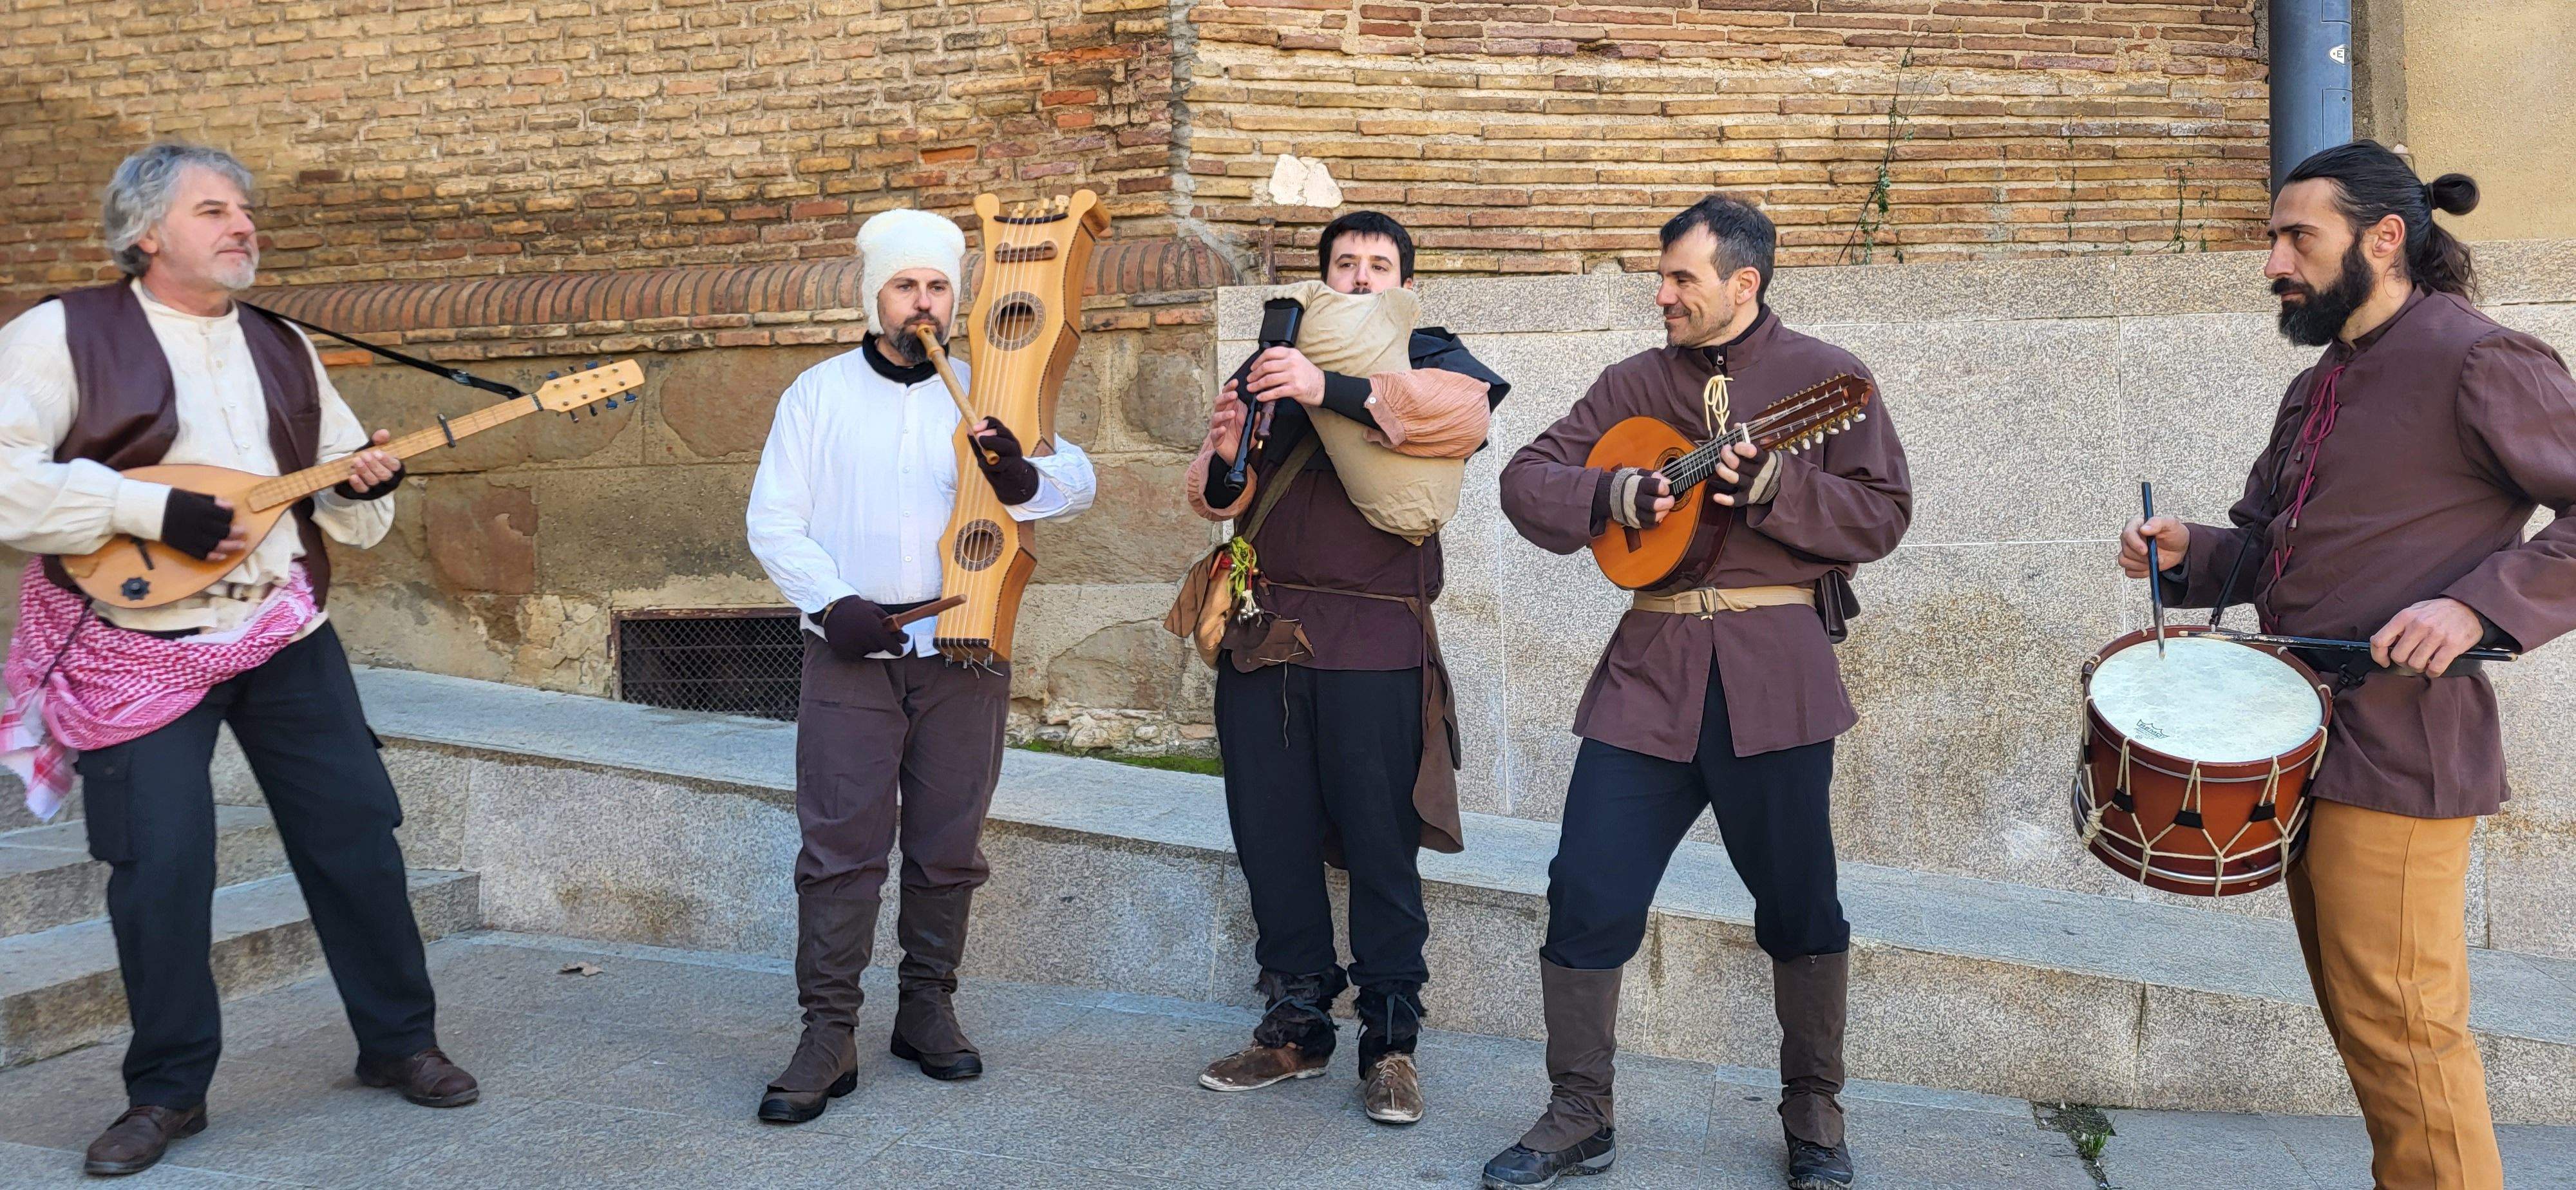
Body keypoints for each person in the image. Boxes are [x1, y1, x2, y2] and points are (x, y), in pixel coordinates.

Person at [0, 143, 474, 1178]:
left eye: (246, 210)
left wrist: (358, 487)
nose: (243, 226)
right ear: (144, 234)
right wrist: (147, 506)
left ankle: (399, 1042)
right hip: (137, 647)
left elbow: (349, 497)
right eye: (213, 210)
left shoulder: (283, 343)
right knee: (161, 867)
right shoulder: (60, 334)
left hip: (282, 633)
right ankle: (167, 1093)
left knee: (357, 835)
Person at [2122, 141, 2574, 1190]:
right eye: (2275, 238)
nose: (2275, 261)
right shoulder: (2317, 384)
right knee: (2369, 1032)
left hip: (2407, 742)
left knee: (2408, 1034)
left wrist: (2475, 608)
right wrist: (2192, 551)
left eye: (2296, 238)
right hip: (2301, 743)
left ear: (2384, 239)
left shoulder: (2481, 358)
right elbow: (2274, 546)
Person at [1488, 194, 1911, 1190]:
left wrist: (1776, 489)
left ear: (1744, 283)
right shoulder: (1632, 382)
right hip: (1649, 677)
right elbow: (1524, 481)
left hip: (1778, 677)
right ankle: (1579, 1113)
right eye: (1664, 275)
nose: (1663, 293)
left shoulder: (1824, 379)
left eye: (1682, 277)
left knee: (1801, 902)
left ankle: (1814, 1113)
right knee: (1586, 887)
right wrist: (1615, 494)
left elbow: (1885, 513)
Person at [743, 206, 1097, 1124]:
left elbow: (1076, 480)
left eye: (939, 287)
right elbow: (773, 521)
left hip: (964, 656)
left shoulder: (989, 389)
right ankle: (828, 1034)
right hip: (852, 655)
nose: (924, 304)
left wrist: (1023, 475)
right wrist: (832, 605)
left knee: (948, 844)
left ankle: (927, 1011)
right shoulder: (817, 395)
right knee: (839, 851)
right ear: (876, 298)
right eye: (907, 287)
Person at [1181, 211, 1508, 1125]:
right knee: (1272, 836)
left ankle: (1391, 1040)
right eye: (1344, 263)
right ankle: (1294, 1025)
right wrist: (1228, 439)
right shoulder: (1270, 356)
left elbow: (1464, 418)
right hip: (1267, 639)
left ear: (1403, 278)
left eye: (1379, 263)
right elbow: (1220, 497)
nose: (1360, 276)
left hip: (1375, 646)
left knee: (1379, 844)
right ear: (1323, 274)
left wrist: (1328, 384)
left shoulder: (1430, 343)